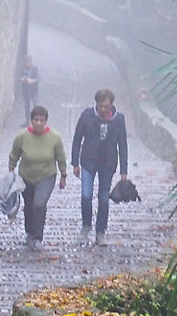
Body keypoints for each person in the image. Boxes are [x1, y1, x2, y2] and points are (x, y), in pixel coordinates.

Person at [72, 87, 129, 241]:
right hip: (88, 160)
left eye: (106, 106)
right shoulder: (87, 116)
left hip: (108, 163)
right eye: (101, 105)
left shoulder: (119, 119)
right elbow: (77, 139)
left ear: (111, 105)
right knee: (86, 195)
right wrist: (75, 163)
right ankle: (86, 225)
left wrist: (124, 170)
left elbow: (122, 144)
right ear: (96, 104)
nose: (103, 109)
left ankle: (100, 231)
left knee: (103, 198)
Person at [7, 103, 67, 245]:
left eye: (42, 120)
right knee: (29, 206)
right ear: (31, 121)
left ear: (46, 121)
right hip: (26, 177)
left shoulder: (54, 137)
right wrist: (10, 172)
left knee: (39, 204)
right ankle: (29, 232)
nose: (38, 123)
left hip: (46, 176)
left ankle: (38, 237)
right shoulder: (22, 136)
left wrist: (63, 175)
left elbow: (61, 157)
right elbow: (14, 154)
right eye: (36, 120)